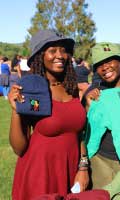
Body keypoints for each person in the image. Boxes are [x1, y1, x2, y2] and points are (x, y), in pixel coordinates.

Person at [8, 29, 89, 200]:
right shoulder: (30, 90)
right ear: (40, 56)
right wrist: (16, 111)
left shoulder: (72, 88)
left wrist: (83, 168)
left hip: (70, 170)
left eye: (63, 50)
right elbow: (19, 148)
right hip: (39, 175)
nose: (60, 55)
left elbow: (78, 134)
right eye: (52, 50)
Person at [82, 42, 120, 188]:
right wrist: (89, 106)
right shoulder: (94, 93)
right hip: (100, 160)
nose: (105, 67)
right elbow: (83, 130)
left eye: (109, 61)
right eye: (99, 64)